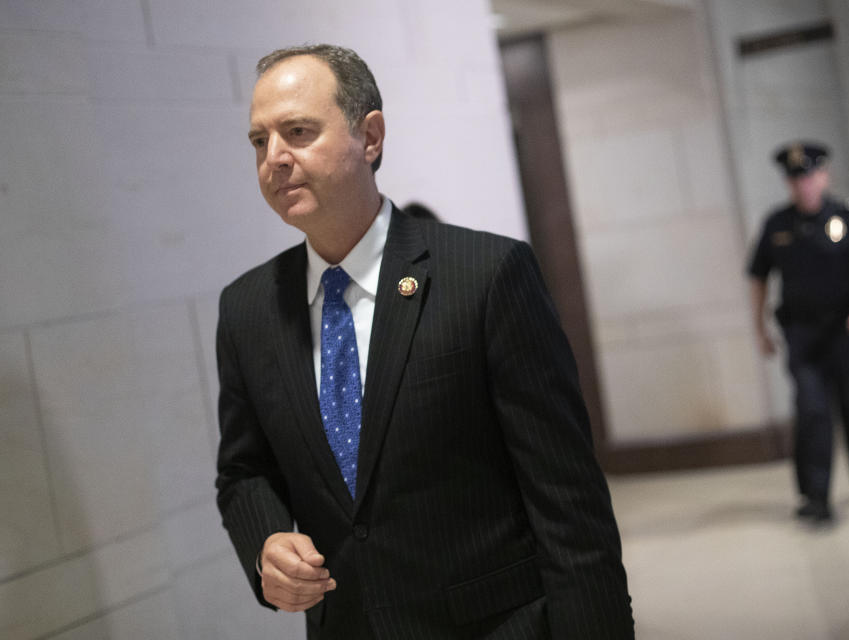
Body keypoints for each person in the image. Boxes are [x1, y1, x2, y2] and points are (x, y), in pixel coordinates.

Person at [215, 44, 634, 639]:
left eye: (298, 131)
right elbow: (242, 469)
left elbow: (570, 507)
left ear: (371, 138)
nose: (274, 158)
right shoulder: (247, 309)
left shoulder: (485, 275)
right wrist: (265, 546)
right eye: (259, 141)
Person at [747, 142, 849, 523]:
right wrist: (759, 327)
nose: (802, 185)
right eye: (794, 179)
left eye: (808, 176)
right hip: (802, 333)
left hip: (846, 329)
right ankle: (815, 495)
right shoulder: (776, 224)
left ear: (824, 175)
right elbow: (758, 277)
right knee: (811, 410)